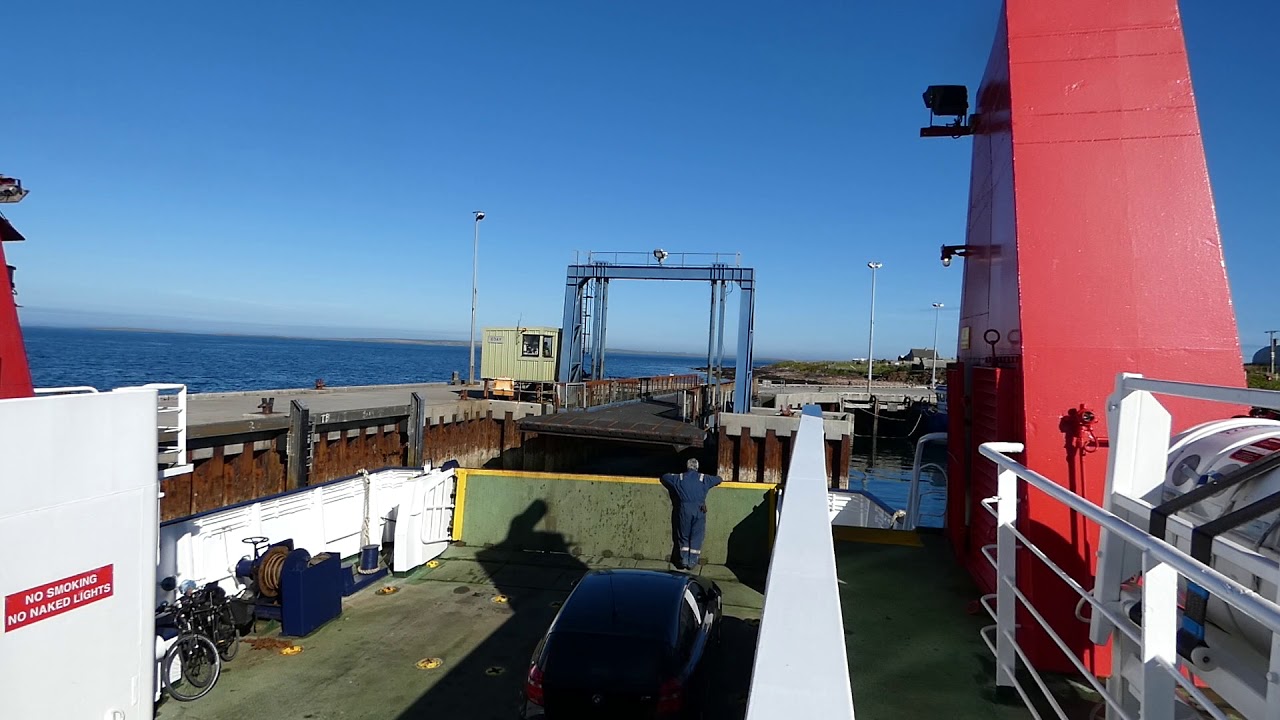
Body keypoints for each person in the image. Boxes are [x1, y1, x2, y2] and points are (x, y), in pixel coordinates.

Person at [660, 458, 723, 569]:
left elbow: (664, 477)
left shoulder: (679, 478)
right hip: (699, 510)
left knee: (683, 535)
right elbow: (719, 479)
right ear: (697, 467)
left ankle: (683, 559)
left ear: (687, 466)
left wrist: (672, 473)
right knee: (697, 535)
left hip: (684, 510)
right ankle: (692, 561)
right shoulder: (704, 478)